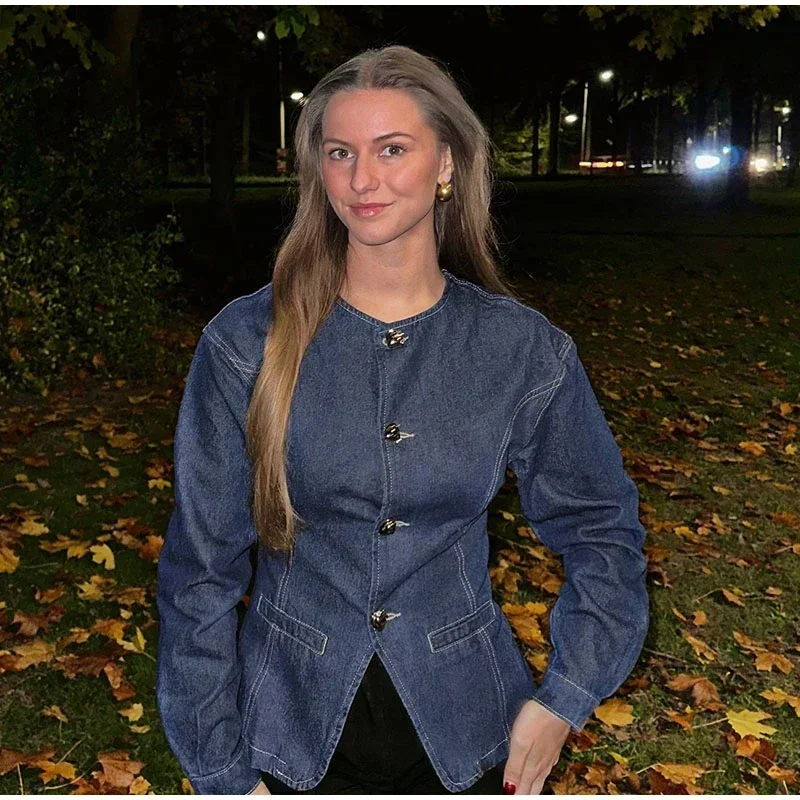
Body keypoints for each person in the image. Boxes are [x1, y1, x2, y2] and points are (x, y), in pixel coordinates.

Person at [155, 44, 649, 796]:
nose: (362, 179)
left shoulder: (521, 350)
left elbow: (602, 530)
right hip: (285, 732)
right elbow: (199, 571)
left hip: (470, 735)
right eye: (340, 153)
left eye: (392, 149)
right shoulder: (246, 342)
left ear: (446, 162)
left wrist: (564, 698)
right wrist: (221, 771)